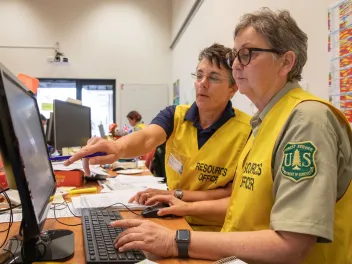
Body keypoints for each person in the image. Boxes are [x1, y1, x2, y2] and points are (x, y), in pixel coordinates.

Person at [97, 8, 351, 263]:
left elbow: (290, 245)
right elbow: (241, 205)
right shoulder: (265, 122)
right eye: (235, 56)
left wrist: (175, 241)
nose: (237, 64)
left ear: (285, 62)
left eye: (247, 54)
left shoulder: (306, 121)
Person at [65, 43, 252, 231]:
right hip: (171, 216)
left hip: (214, 229)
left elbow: (234, 195)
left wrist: (176, 195)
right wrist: (118, 147)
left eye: (214, 77)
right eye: (199, 75)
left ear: (233, 88)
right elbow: (147, 137)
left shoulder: (248, 131)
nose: (203, 83)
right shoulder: (175, 115)